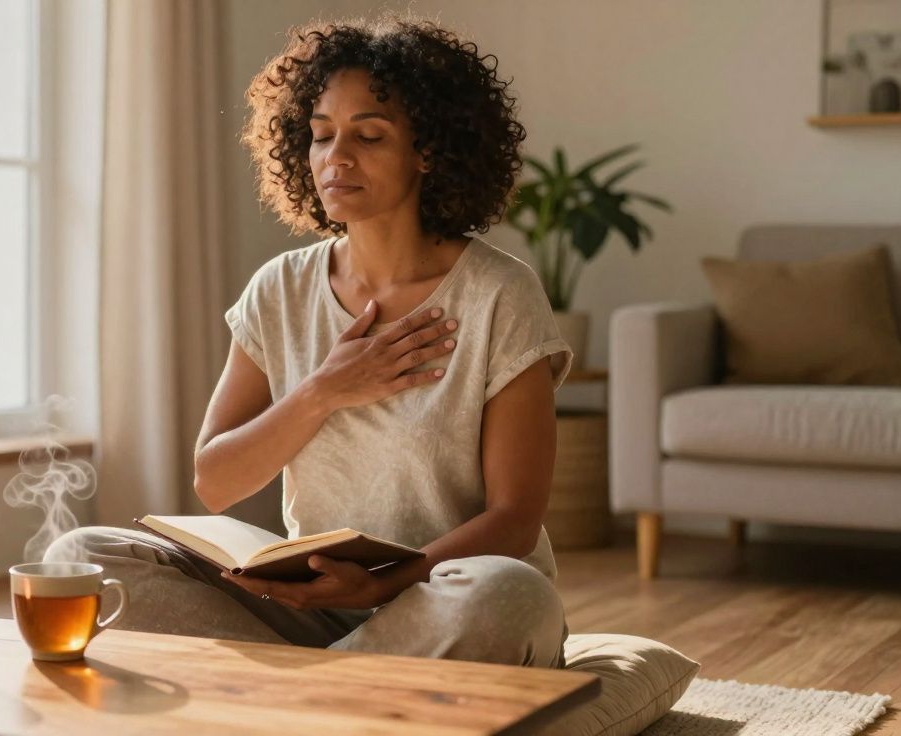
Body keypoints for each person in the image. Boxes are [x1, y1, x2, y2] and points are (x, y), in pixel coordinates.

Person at [47, 16, 573, 668]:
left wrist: (386, 582)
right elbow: (214, 479)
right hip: (316, 608)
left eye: (369, 135)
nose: (336, 157)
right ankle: (339, 690)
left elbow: (516, 518)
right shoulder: (280, 289)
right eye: (321, 136)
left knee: (510, 596)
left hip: (446, 595)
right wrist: (324, 391)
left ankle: (297, 694)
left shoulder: (499, 293)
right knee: (82, 557)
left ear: (428, 150)